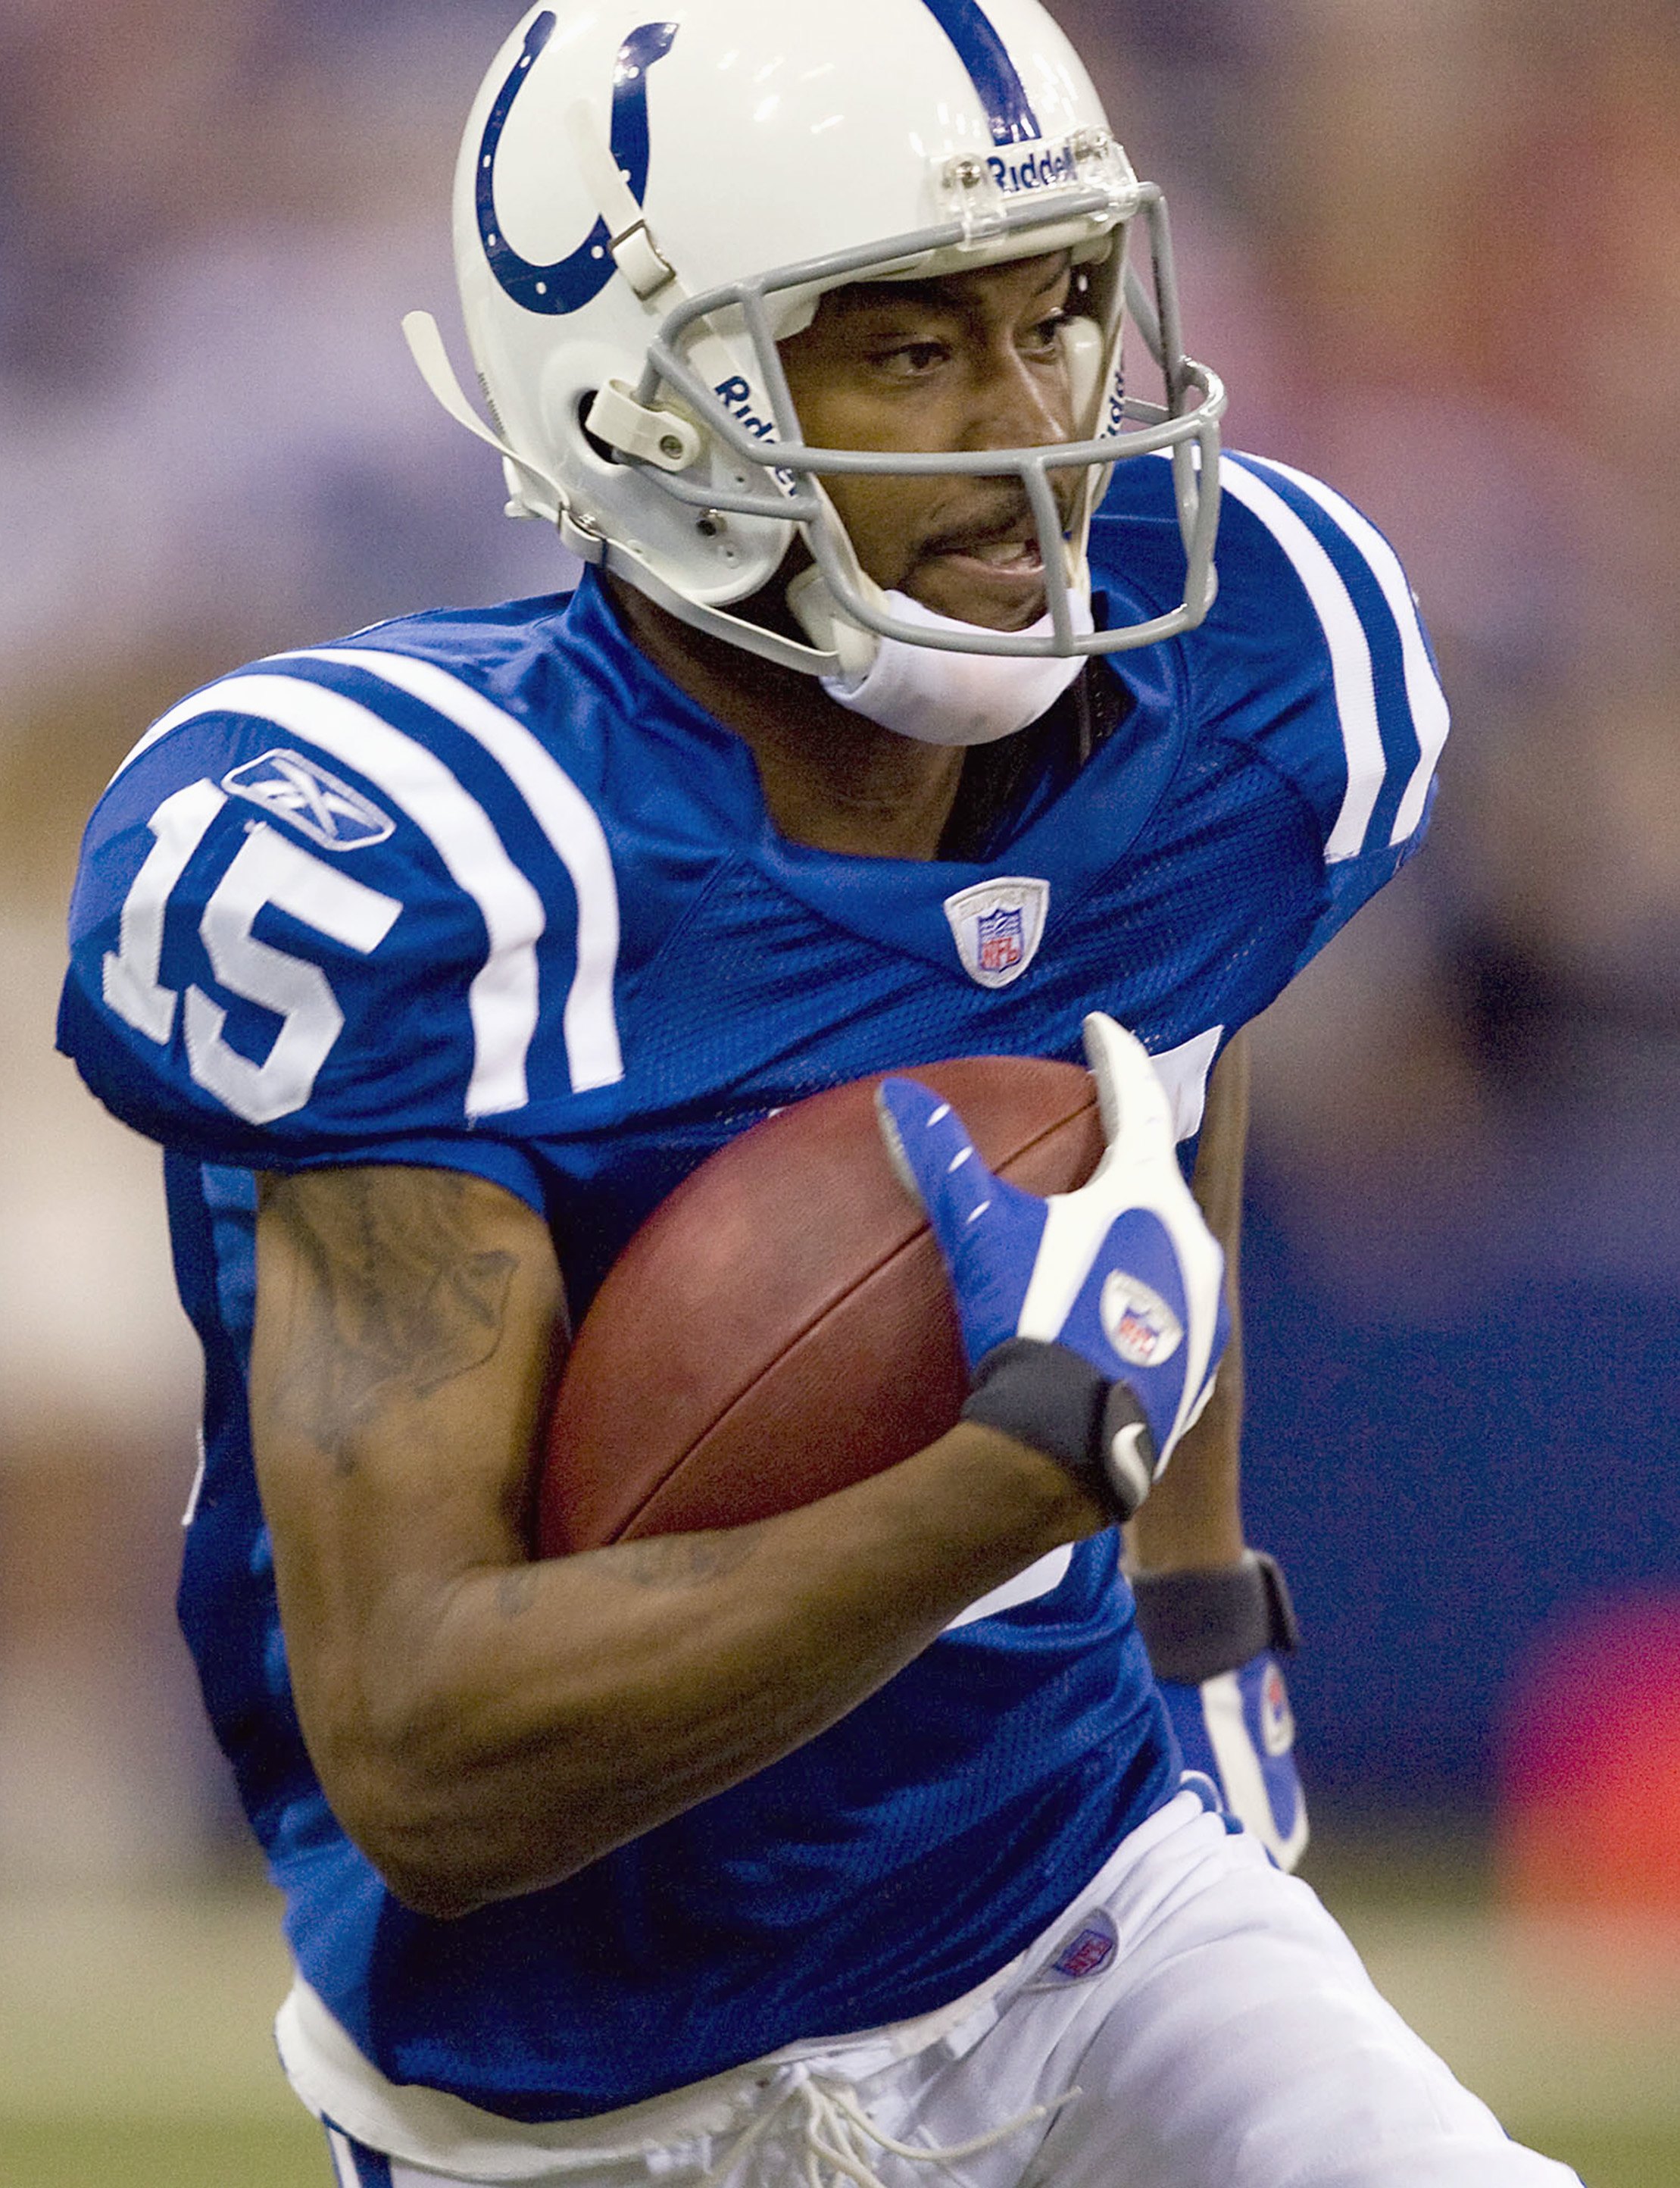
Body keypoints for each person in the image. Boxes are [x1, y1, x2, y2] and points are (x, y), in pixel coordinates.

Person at [58, 2, 1575, 2183]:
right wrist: (1002, 1479)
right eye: (902, 347)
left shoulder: (1243, 659)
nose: (1032, 417)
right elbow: (430, 1755)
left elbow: (1158, 1087)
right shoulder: (444, 869)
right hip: (564, 2105)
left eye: (1053, 309)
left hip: (1086, 1927)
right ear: (633, 405)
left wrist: (1194, 1621)